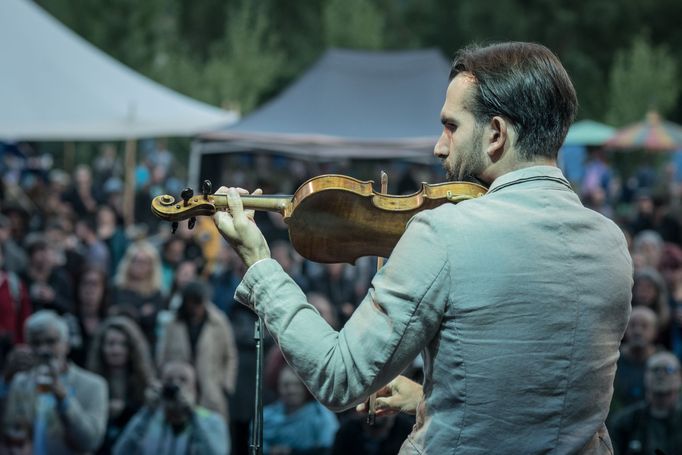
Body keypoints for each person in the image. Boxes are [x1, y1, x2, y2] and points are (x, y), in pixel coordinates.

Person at [212, 42, 633, 453]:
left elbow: (337, 377)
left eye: (452, 126)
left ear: (496, 134)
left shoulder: (445, 232)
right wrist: (432, 399)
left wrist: (260, 264)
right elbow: (538, 400)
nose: (439, 146)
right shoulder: (612, 243)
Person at [2, 310, 108, 454]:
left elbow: (90, 442)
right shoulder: (19, 382)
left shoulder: (93, 385)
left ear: (67, 344)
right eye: (35, 343)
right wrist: (6, 380)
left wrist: (64, 399)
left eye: (51, 341)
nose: (43, 350)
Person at [156, 280, 238, 423]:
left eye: (198, 303)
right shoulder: (174, 324)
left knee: (211, 426)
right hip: (181, 386)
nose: (195, 308)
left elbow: (230, 355)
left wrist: (226, 384)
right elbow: (162, 353)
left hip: (210, 387)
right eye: (192, 303)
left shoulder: (218, 323)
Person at [112, 360, 229, 455]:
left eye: (183, 380)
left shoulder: (213, 421)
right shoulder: (148, 420)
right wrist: (148, 411)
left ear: (195, 389)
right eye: (169, 380)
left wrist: (191, 413)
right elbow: (120, 452)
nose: (176, 385)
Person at [87, 316, 156, 454]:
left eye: (123, 344)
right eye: (111, 344)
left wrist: (124, 409)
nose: (116, 350)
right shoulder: (90, 382)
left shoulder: (144, 382)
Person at [608, 352, 682, 455]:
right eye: (655, 370)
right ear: (645, 376)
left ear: (680, 377)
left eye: (668, 369)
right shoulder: (624, 422)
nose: (660, 374)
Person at [262, 365, 339, 455]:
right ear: (277, 387)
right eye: (286, 385)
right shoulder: (266, 416)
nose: (291, 390)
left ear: (305, 387)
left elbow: (328, 446)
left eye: (297, 384)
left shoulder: (321, 415)